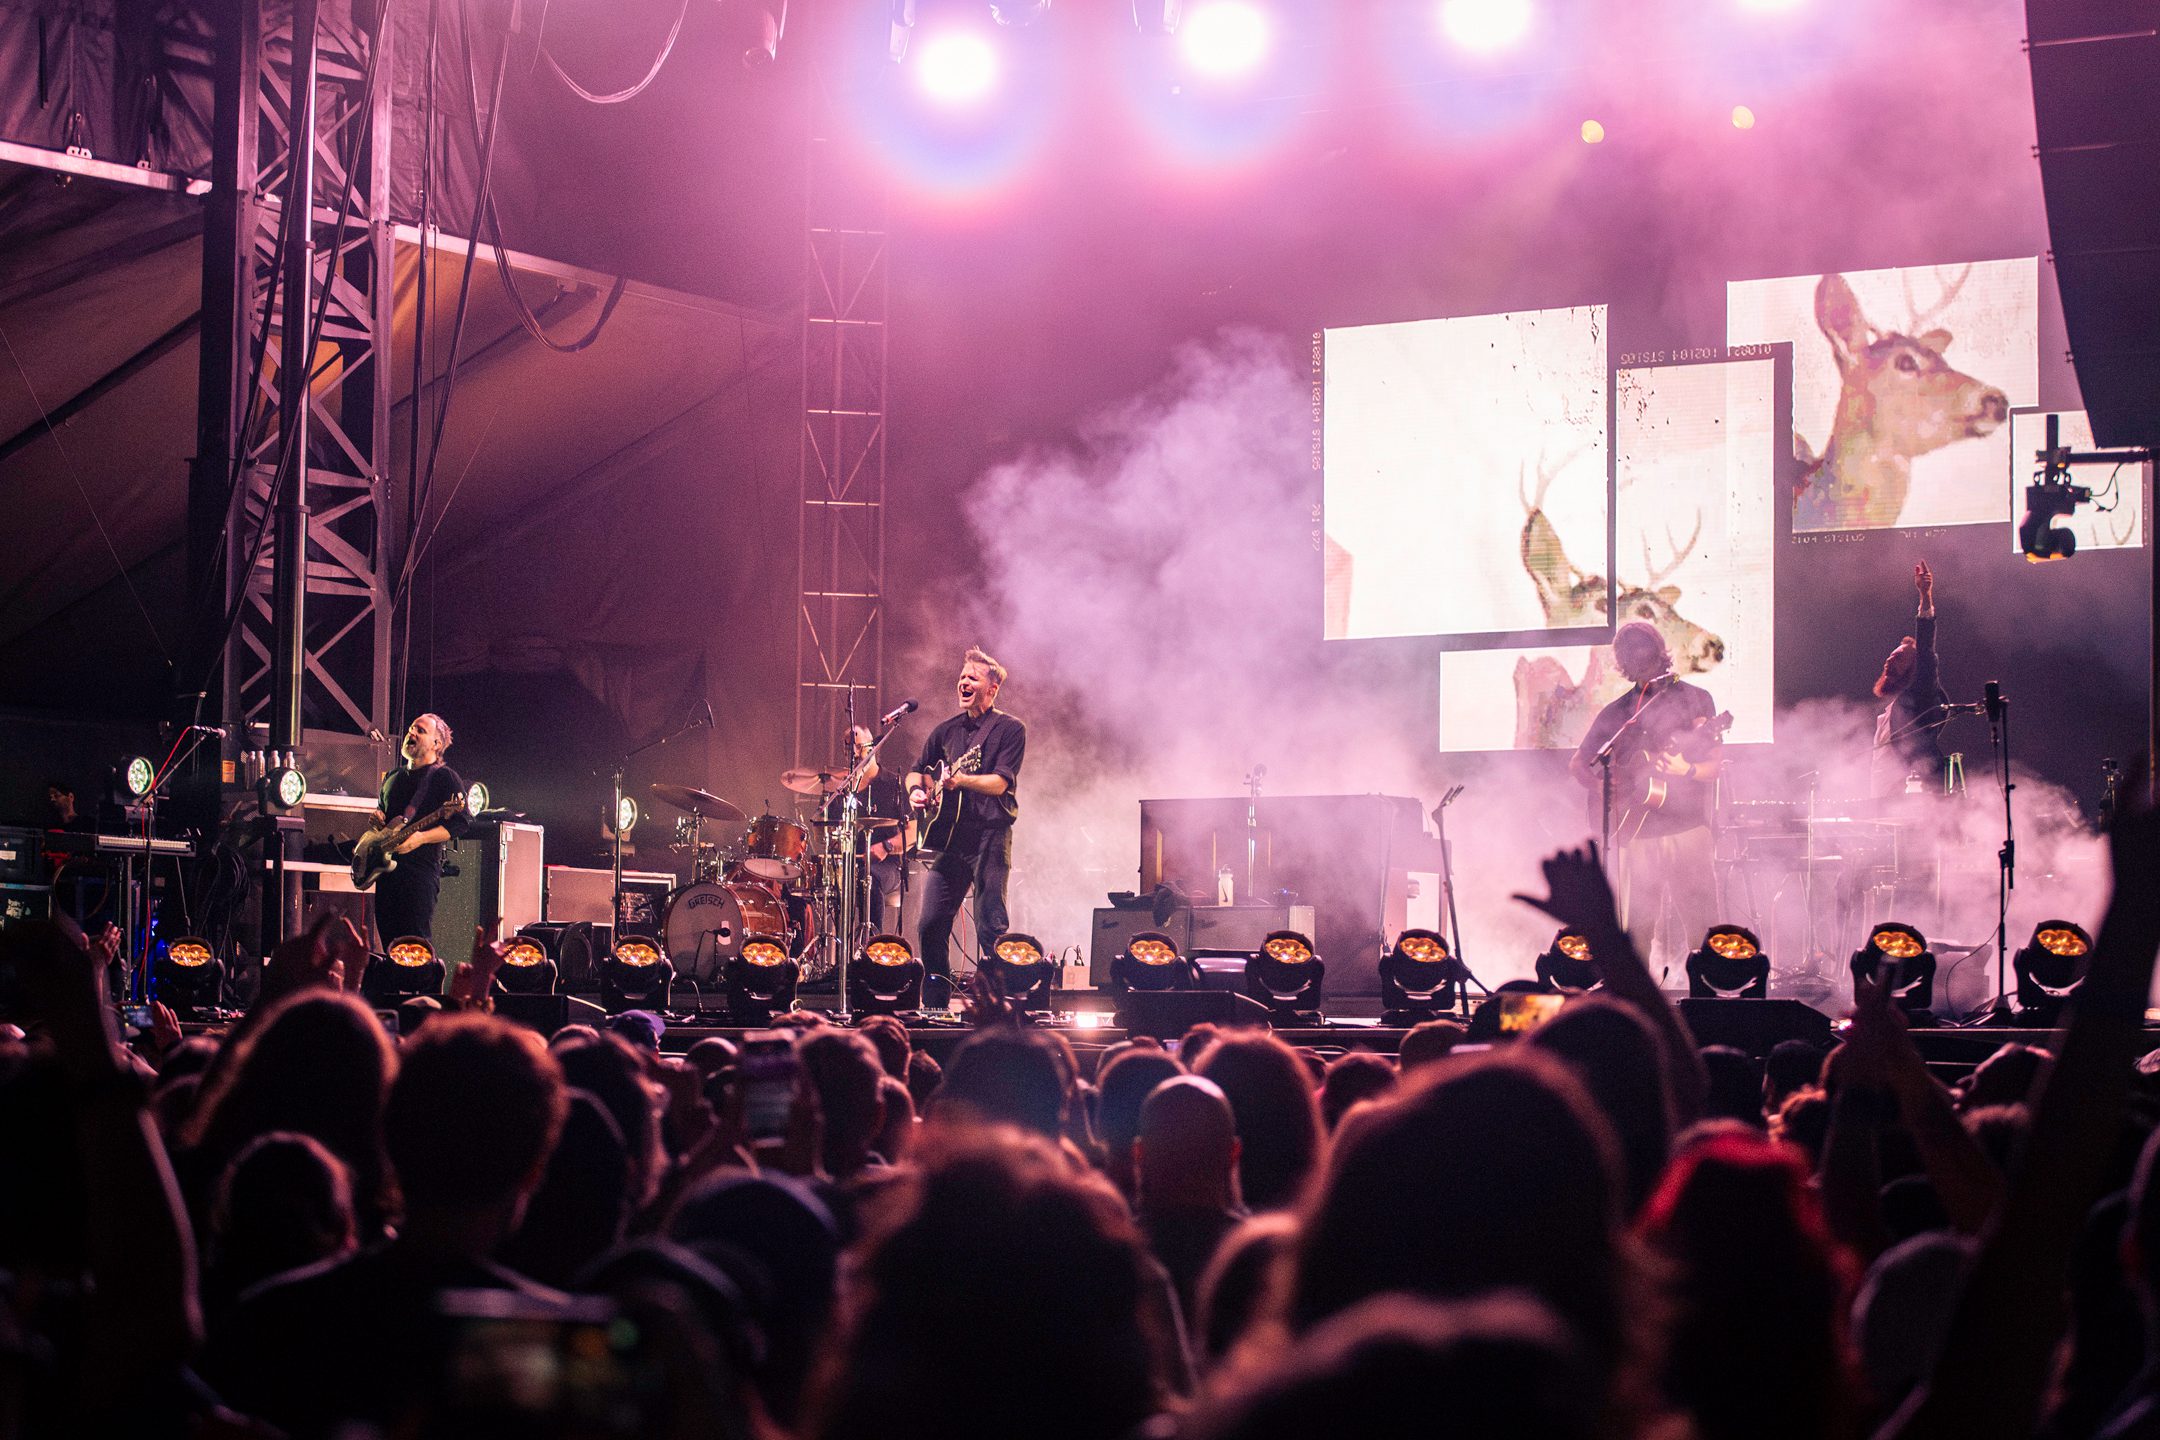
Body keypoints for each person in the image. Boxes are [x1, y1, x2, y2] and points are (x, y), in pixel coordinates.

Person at [1570, 620, 1723, 966]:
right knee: (1637, 931)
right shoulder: (1619, 712)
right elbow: (1579, 763)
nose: (1638, 657)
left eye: (1643, 649)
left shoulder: (1696, 700)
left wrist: (1687, 770)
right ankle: (1637, 1009)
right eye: (1629, 652)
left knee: (1702, 929)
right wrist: (1600, 787)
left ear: (1658, 652)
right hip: (1636, 833)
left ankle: (1709, 1002)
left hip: (1687, 830)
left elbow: (1714, 765)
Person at [906, 648, 1026, 989]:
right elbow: (916, 772)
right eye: (961, 677)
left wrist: (961, 780)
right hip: (953, 840)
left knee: (990, 925)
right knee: (930, 924)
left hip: (991, 835)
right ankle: (936, 1003)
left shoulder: (1010, 729)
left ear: (992, 688)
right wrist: (916, 792)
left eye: (972, 677)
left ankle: (1000, 1005)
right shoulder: (945, 731)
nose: (963, 682)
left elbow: (1000, 783)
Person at [368, 713, 469, 948]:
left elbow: (461, 822)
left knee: (416, 948)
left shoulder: (445, 778)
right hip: (385, 875)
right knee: (390, 948)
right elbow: (385, 818)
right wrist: (378, 819)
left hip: (418, 876)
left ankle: (425, 986)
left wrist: (421, 838)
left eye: (420, 731)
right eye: (411, 728)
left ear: (437, 744)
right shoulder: (393, 777)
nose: (411, 733)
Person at [827, 724, 913, 939]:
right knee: (823, 884)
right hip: (848, 864)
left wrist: (886, 846)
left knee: (869, 879)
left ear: (873, 747)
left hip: (887, 865)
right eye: (849, 749)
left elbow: (912, 833)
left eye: (859, 747)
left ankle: (873, 947)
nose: (854, 754)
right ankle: (841, 955)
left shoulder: (893, 784)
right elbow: (826, 833)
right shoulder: (841, 789)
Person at [1871, 560, 1949, 797]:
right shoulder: (1894, 707)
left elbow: (1925, 650)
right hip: (1886, 796)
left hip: (1916, 792)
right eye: (1890, 654)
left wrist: (1925, 597)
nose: (1889, 659)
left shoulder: (1921, 690)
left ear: (1914, 665)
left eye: (1898, 656)